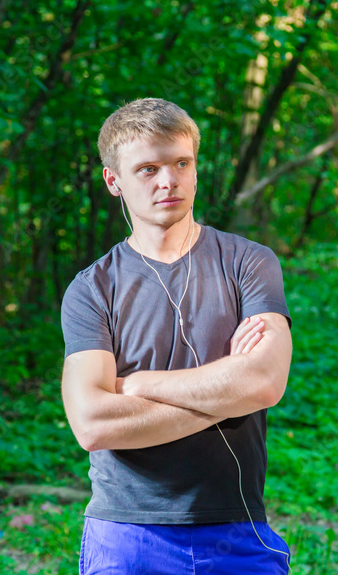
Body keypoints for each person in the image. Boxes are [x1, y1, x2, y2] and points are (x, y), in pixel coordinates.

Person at [60, 98, 294, 574]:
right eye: (147, 169)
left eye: (180, 163)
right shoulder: (93, 288)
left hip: (236, 528)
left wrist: (139, 385)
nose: (168, 181)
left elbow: (265, 384)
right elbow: (93, 424)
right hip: (126, 536)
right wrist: (229, 390)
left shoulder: (249, 263)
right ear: (114, 182)